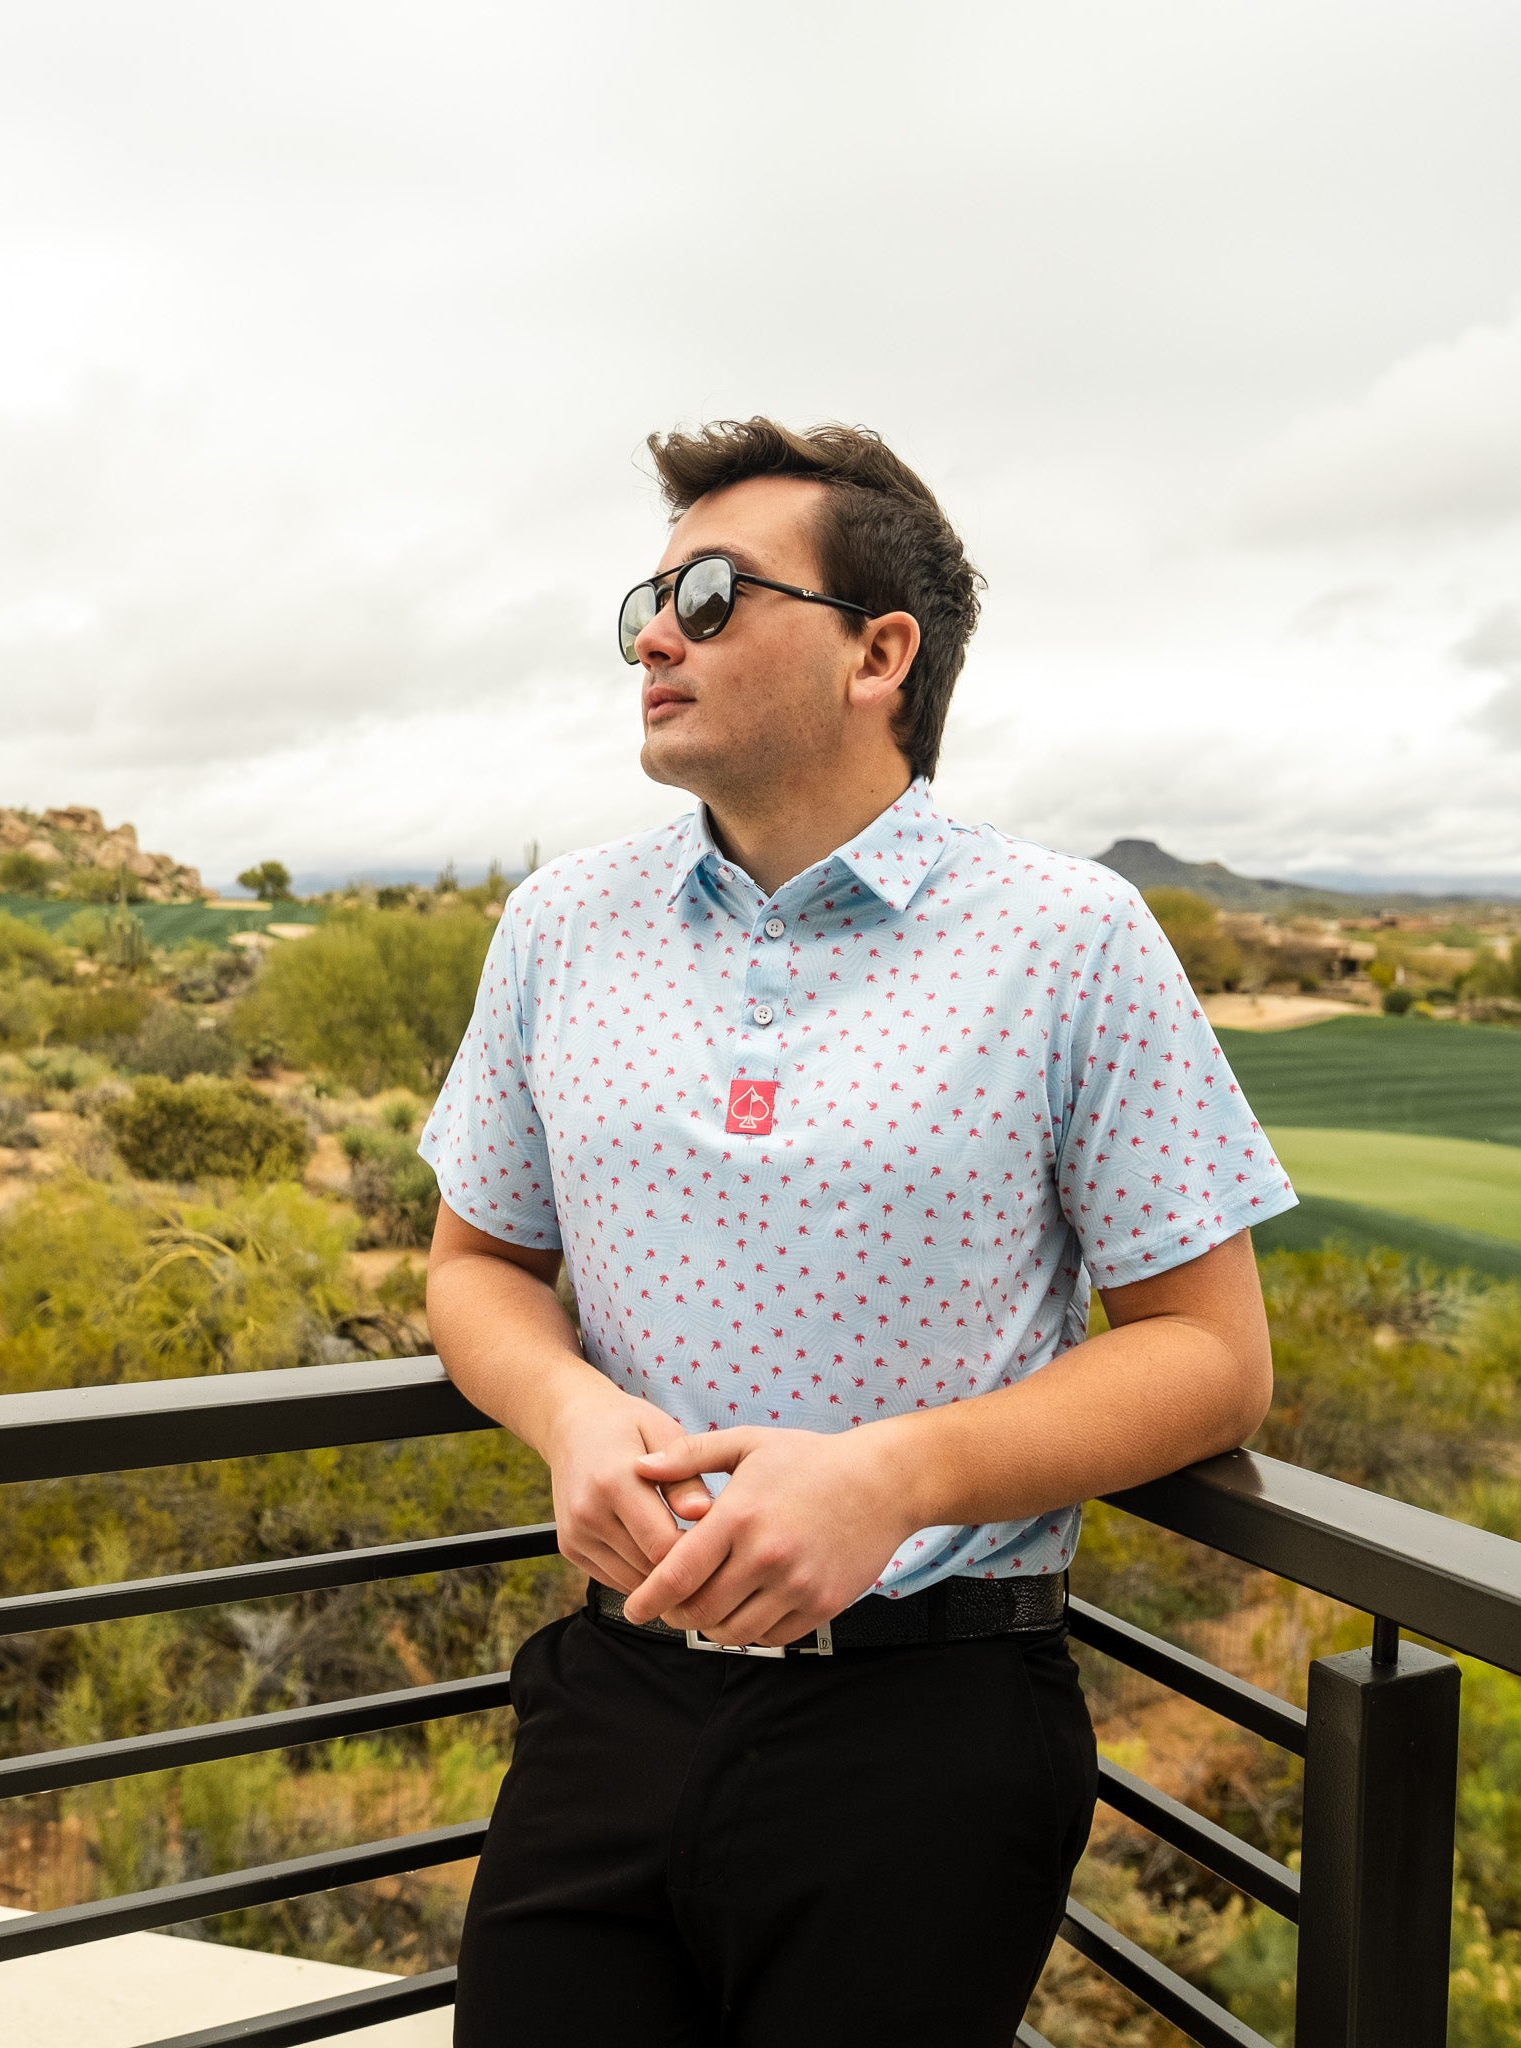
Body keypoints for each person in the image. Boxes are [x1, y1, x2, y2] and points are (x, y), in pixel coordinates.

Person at [422, 418, 1296, 2047]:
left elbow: (1209, 1358)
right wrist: (567, 1411)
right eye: (644, 603)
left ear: (877, 652)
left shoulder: (1068, 938)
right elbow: (478, 1268)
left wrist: (887, 1479)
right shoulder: (558, 928)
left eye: (708, 592)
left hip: (928, 1731)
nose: (656, 634)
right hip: (615, 1691)